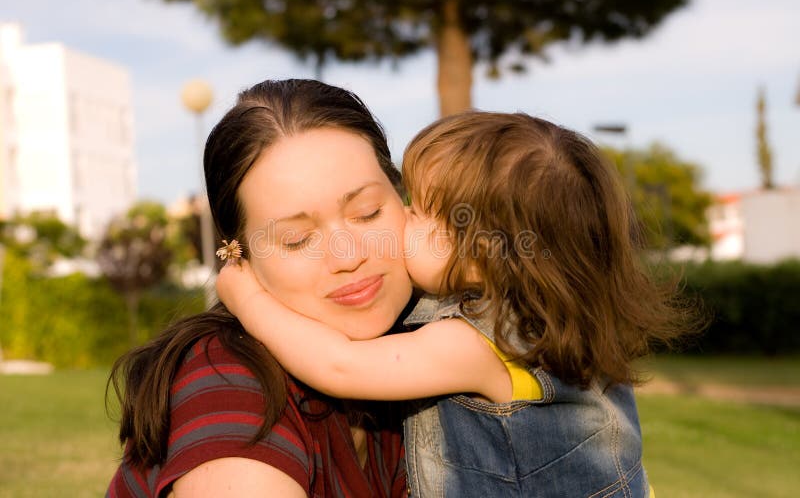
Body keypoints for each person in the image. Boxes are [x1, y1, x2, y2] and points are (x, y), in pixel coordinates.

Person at [217, 111, 697, 497]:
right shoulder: (553, 319)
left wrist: (248, 298)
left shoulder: (473, 343)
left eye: (424, 213)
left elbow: (340, 365)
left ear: (482, 254)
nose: (404, 215)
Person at [106, 79, 415, 498]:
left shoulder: (430, 337)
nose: (348, 257)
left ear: (404, 202)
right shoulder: (227, 382)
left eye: (367, 213)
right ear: (240, 257)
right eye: (297, 239)